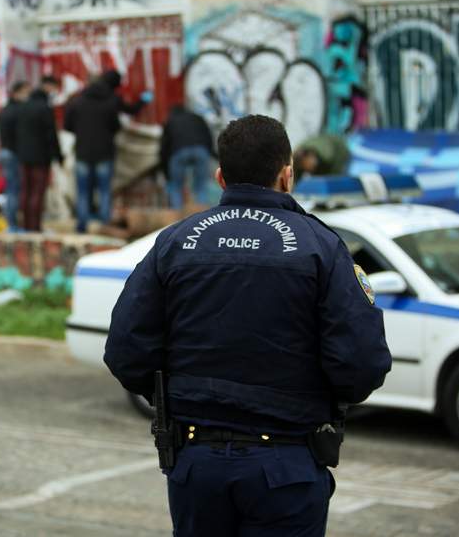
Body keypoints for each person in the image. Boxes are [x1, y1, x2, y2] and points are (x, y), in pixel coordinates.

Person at [104, 114, 391, 537]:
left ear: (220, 177)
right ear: (287, 176)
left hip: (196, 464)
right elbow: (362, 363)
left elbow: (126, 350)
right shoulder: (320, 247)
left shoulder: (175, 242)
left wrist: (180, 395)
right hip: (287, 463)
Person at [64, 69, 150, 233]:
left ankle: (82, 226)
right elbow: (116, 126)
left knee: (83, 191)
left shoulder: (77, 101)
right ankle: (105, 226)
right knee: (104, 191)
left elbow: (68, 126)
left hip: (83, 152)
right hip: (105, 152)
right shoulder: (110, 101)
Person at [14, 76, 63, 232]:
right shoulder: (44, 108)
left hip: (24, 156)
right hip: (41, 158)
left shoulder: (23, 106)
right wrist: (58, 155)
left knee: (26, 191)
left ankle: (26, 225)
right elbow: (51, 134)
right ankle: (34, 227)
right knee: (37, 193)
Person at [159, 103, 216, 209]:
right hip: (201, 150)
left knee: (175, 186)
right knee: (201, 186)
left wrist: (166, 171)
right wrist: (213, 154)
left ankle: (177, 219)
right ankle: (203, 215)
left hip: (178, 152)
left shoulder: (170, 121)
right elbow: (208, 136)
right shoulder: (197, 118)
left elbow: (164, 147)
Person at [0, 80, 31, 229]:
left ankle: (10, 222)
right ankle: (12, 224)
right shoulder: (18, 111)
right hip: (13, 153)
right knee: (13, 190)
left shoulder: (4, 110)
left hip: (5, 151)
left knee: (10, 188)